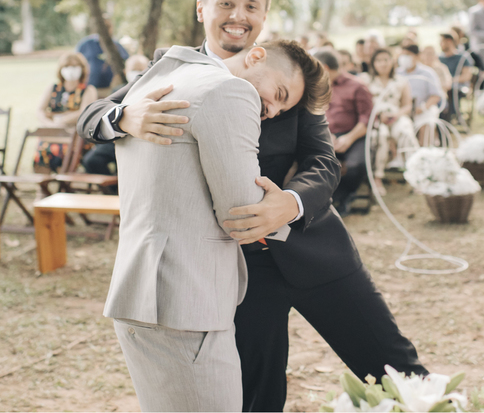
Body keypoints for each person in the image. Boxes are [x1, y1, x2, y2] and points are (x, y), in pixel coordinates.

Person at [77, 0, 427, 410]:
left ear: (263, 17)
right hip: (236, 273)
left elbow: (324, 162)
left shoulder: (290, 75)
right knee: (254, 396)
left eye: (252, 7)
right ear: (202, 9)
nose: (239, 16)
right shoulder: (170, 70)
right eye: (226, 3)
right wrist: (124, 116)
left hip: (314, 251)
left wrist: (292, 203)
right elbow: (91, 116)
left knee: (395, 367)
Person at [103, 37, 324, 413]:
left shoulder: (162, 79)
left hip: (141, 290)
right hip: (186, 301)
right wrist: (285, 209)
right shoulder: (230, 91)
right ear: (256, 56)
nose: (272, 111)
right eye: (279, 94)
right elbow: (243, 212)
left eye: (282, 108)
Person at [315, 47, 373, 215]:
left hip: (355, 135)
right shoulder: (316, 86)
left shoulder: (357, 86)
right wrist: (326, 135)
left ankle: (344, 196)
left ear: (324, 67)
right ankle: (325, 199)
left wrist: (349, 138)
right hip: (326, 135)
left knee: (355, 165)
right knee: (313, 162)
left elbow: (367, 119)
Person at [365, 48, 419, 190]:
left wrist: (396, 115)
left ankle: (415, 174)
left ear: (392, 61)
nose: (383, 64)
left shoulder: (401, 81)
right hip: (375, 118)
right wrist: (378, 116)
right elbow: (363, 105)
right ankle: (377, 177)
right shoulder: (366, 81)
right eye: (378, 60)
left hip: (396, 116)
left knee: (406, 132)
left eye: (386, 60)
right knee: (380, 136)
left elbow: (407, 105)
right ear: (373, 63)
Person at [34, 51, 98, 172]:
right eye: (67, 66)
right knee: (43, 147)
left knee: (65, 149)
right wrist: (50, 124)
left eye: (74, 66)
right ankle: (43, 181)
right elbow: (40, 110)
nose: (70, 70)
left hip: (76, 136)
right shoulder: (53, 88)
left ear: (82, 69)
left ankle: (64, 179)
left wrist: (60, 119)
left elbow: (84, 112)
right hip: (53, 133)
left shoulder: (88, 90)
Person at [78, 23, 128, 90]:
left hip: (112, 89)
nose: (105, 29)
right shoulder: (86, 44)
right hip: (89, 88)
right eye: (103, 26)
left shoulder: (117, 46)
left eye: (108, 26)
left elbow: (126, 63)